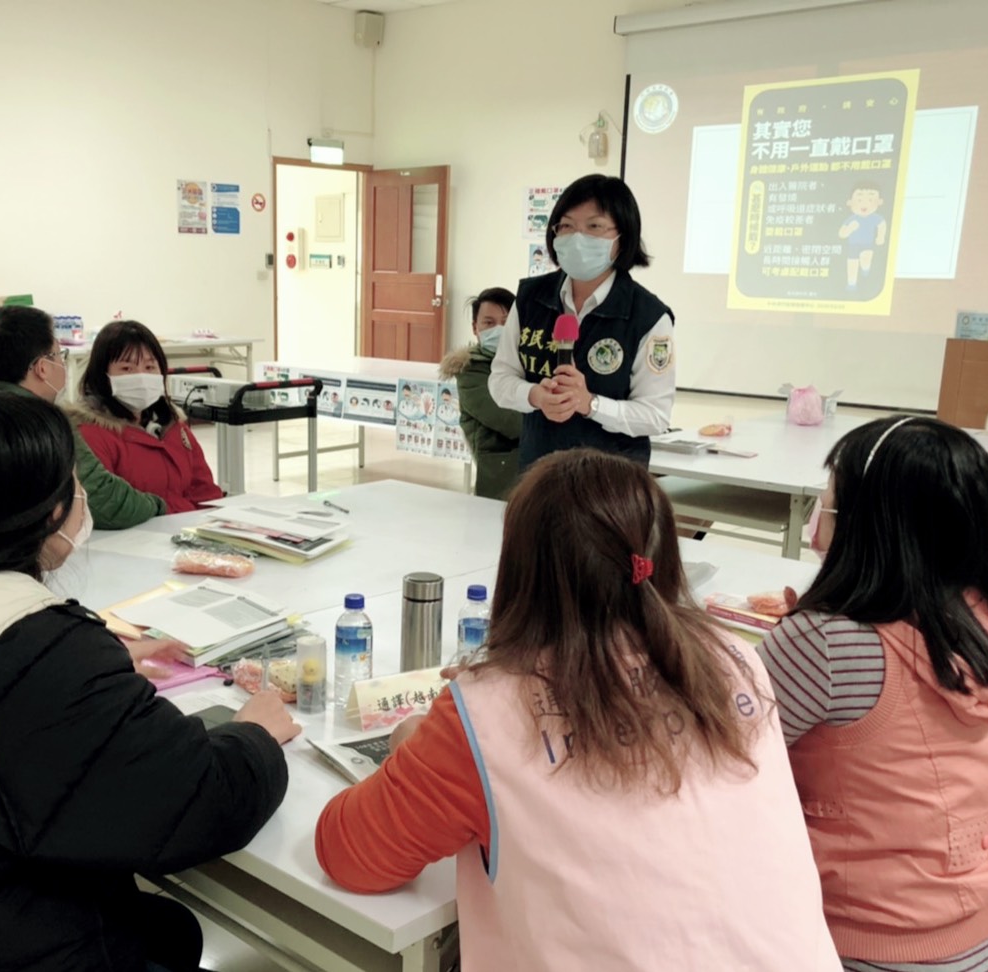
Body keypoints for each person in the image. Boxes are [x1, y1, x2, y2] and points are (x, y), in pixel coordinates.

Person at [315, 448, 841, 970]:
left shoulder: (488, 712)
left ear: (524, 571)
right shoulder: (736, 659)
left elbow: (350, 853)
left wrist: (420, 743)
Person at [0, 392, 299, 972]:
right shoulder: (42, 656)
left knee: (170, 929)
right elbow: (203, 802)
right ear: (51, 511)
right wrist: (255, 737)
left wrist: (90, 663)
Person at [760, 416, 988, 972]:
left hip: (888, 946)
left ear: (866, 523)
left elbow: (723, 750)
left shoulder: (827, 640)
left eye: (831, 499)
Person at [489, 174, 676, 472]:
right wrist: (534, 395)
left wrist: (590, 404)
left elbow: (655, 415)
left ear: (622, 237)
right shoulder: (530, 298)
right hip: (539, 473)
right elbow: (500, 380)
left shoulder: (648, 317)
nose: (577, 238)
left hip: (611, 485)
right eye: (566, 226)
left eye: (594, 227)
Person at [0, 305, 166, 529]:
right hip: (23, 557)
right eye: (59, 355)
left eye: (149, 366)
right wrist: (156, 505)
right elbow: (103, 499)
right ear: (42, 368)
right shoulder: (48, 425)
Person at [72, 320, 223, 514]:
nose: (141, 376)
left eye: (150, 367)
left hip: (185, 534)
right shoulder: (90, 434)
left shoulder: (174, 426)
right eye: (127, 369)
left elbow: (205, 490)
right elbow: (110, 507)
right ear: (103, 376)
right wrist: (179, 510)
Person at [439, 287, 522, 499]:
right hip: (501, 476)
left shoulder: (524, 361)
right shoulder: (470, 370)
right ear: (475, 328)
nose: (499, 329)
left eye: (506, 322)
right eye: (489, 323)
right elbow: (512, 422)